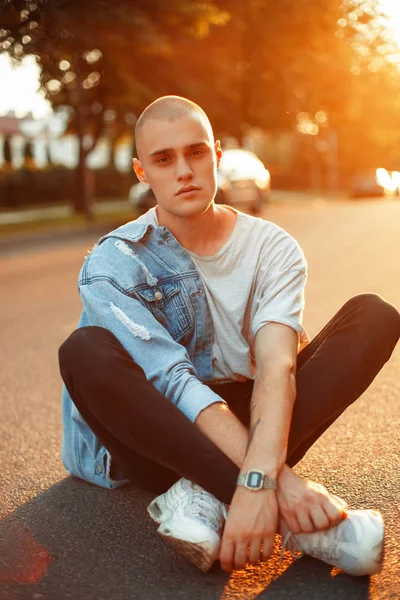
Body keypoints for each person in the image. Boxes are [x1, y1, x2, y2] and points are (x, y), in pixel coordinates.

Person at [59, 95, 400, 576]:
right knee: (83, 349)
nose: (184, 170)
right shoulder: (114, 261)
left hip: (244, 408)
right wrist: (277, 483)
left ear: (217, 155)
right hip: (156, 434)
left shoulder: (271, 247)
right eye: (164, 159)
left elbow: (278, 366)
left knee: (374, 315)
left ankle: (204, 495)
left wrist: (258, 481)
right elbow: (173, 384)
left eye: (196, 152)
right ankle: (305, 523)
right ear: (142, 172)